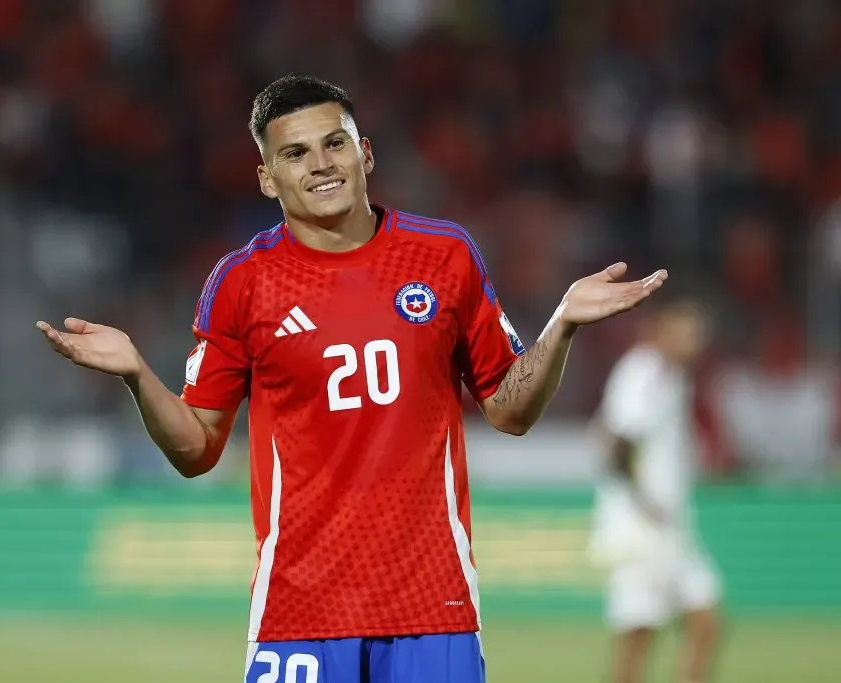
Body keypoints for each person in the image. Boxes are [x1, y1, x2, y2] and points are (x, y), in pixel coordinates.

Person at [37, 74, 668, 683]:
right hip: (300, 611)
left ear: (364, 152)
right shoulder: (240, 283)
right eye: (295, 152)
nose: (321, 163)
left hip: (432, 606)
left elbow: (510, 408)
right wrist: (137, 376)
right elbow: (198, 447)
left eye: (334, 142)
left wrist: (560, 328)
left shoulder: (443, 254)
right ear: (267, 176)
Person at [589, 298, 721, 683]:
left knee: (706, 619)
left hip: (670, 526)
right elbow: (616, 442)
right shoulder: (641, 373)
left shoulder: (672, 376)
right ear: (661, 329)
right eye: (687, 332)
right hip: (641, 528)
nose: (695, 342)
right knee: (638, 636)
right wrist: (644, 503)